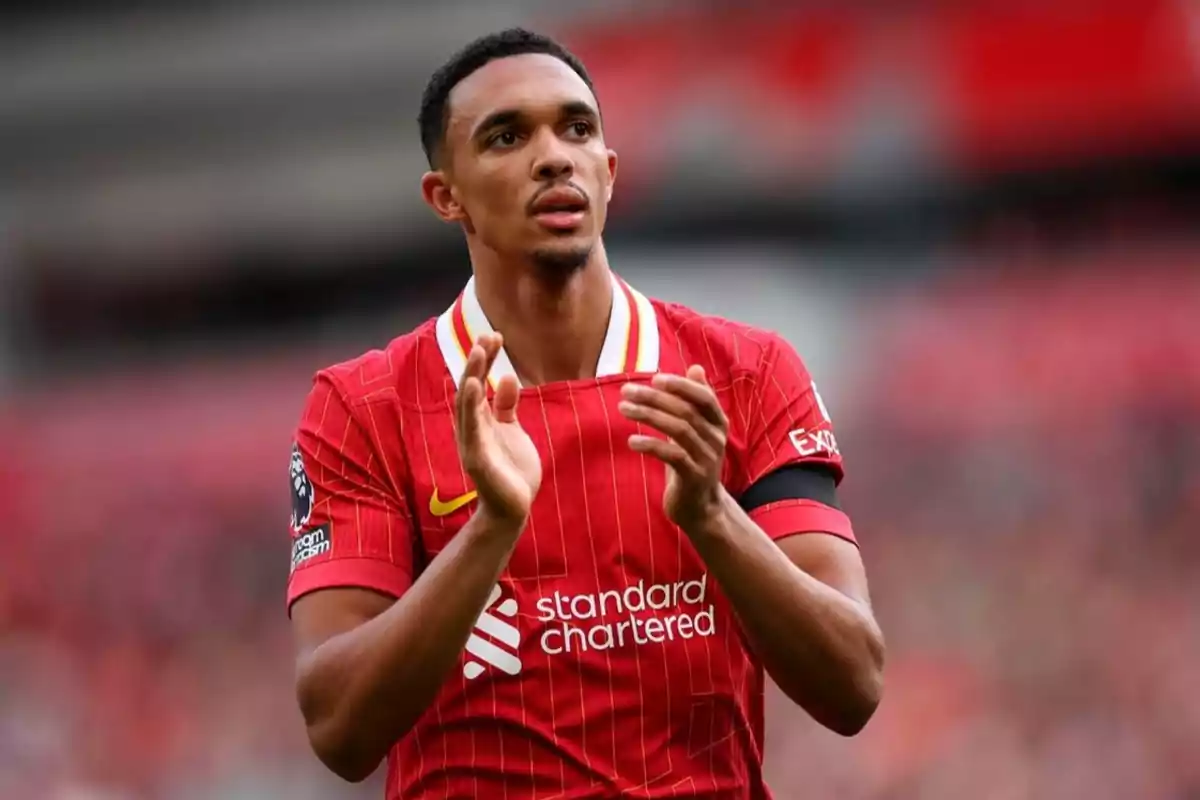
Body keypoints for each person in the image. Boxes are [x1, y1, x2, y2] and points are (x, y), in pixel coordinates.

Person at [286, 27, 885, 799]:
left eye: (576, 128)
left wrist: (711, 516)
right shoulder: (363, 406)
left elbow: (854, 685)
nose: (552, 156)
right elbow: (339, 730)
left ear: (607, 171)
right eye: (506, 136)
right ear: (448, 197)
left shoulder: (745, 372)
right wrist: (490, 531)